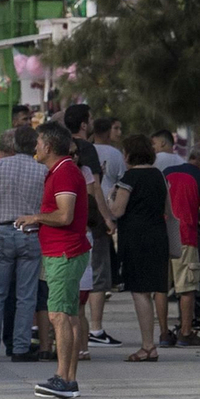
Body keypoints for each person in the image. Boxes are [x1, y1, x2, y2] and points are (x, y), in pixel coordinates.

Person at [15, 121, 91, 399]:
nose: (35, 147)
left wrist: (35, 218)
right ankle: (68, 379)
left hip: (64, 253)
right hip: (65, 250)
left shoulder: (64, 173)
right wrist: (39, 224)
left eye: (37, 143)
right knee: (68, 315)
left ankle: (63, 378)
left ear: (48, 146)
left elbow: (65, 215)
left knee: (58, 314)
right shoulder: (63, 171)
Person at [0, 121, 46, 362]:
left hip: (2, 232)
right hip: (30, 233)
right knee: (26, 295)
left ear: (14, 144)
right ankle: (20, 347)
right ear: (35, 145)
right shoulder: (42, 170)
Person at [99, 134, 169, 360]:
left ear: (128, 154)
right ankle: (150, 343)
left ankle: (148, 345)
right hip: (158, 235)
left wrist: (110, 198)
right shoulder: (158, 175)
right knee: (151, 289)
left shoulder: (129, 177)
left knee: (140, 291)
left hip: (136, 238)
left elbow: (118, 210)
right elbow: (167, 209)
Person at [165, 147, 200, 344]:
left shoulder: (167, 173)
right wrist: (195, 213)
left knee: (161, 288)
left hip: (162, 237)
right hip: (185, 236)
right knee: (186, 287)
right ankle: (186, 332)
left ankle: (164, 333)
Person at [85, 116, 125, 346]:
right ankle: (96, 329)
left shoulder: (78, 150)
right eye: (116, 127)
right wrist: (110, 217)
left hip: (78, 215)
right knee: (99, 274)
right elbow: (119, 182)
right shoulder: (114, 155)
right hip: (101, 216)